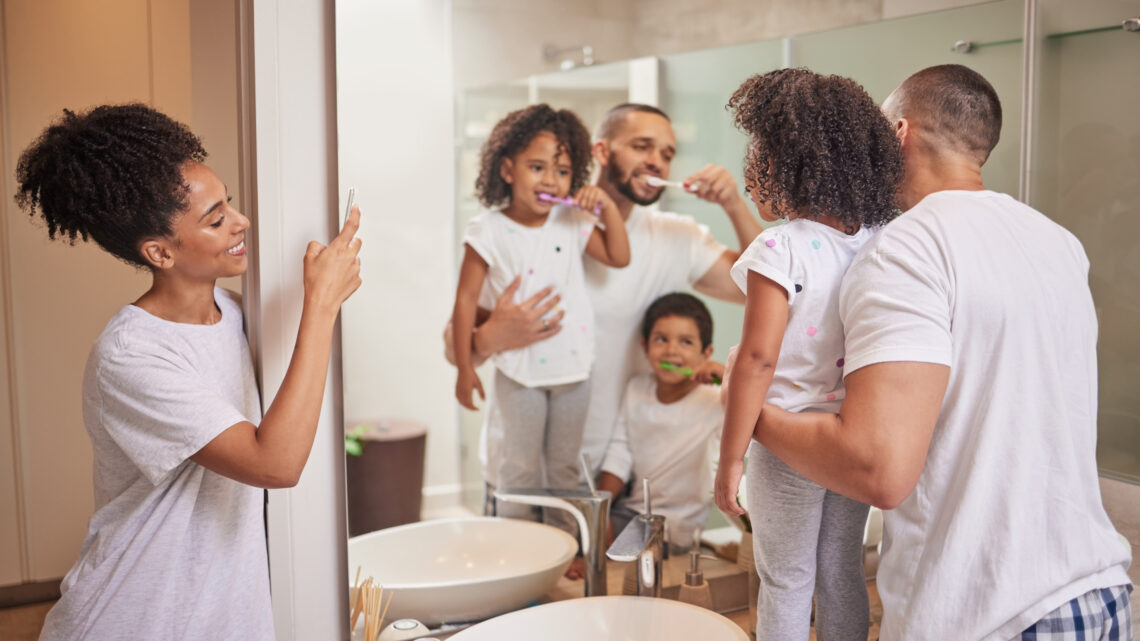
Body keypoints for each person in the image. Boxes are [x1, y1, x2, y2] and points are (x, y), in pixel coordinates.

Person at [742, 64, 1133, 639]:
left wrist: (749, 412)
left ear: (897, 132)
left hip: (988, 612)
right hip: (1100, 596)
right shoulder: (1056, 240)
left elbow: (878, 469)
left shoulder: (906, 249)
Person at [15, 104, 362, 640]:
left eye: (230, 204)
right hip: (134, 620)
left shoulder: (237, 315)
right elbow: (274, 464)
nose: (240, 221)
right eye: (216, 219)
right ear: (160, 252)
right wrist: (320, 306)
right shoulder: (130, 356)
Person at [455, 103, 762, 490]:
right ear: (601, 151)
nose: (657, 162)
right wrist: (492, 337)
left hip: (608, 473)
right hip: (516, 465)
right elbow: (455, 348)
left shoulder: (676, 238)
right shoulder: (520, 229)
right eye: (642, 146)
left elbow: (766, 289)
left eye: (667, 154)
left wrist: (734, 205)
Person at [713, 69, 902, 641]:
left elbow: (756, 361)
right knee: (841, 569)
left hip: (788, 444)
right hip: (849, 435)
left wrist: (730, 460)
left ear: (785, 162)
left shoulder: (779, 246)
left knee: (786, 577)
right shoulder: (879, 239)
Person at [452, 103, 629, 531]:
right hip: (521, 374)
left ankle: (566, 547)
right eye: (537, 167)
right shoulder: (487, 229)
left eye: (563, 171)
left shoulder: (573, 220)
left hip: (574, 372)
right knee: (520, 470)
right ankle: (514, 552)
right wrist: (463, 369)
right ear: (508, 169)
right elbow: (464, 301)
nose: (550, 179)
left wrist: (604, 203)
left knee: (566, 469)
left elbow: (620, 256)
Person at [597, 293, 724, 551]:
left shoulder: (718, 402)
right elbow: (619, 454)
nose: (671, 350)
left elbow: (759, 410)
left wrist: (729, 378)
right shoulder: (636, 389)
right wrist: (599, 512)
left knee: (616, 551)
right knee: (578, 535)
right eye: (661, 339)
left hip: (677, 526)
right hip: (631, 512)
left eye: (686, 342)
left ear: (706, 353)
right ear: (645, 347)